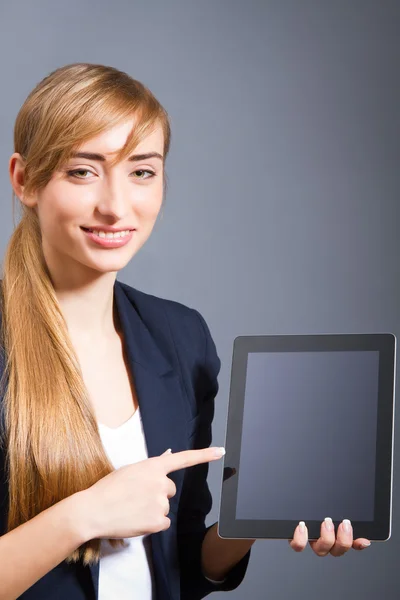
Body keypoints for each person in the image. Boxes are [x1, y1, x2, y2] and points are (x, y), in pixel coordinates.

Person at [0, 63, 371, 600]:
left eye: (142, 172)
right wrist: (82, 516)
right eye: (83, 171)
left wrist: (259, 517)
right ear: (24, 180)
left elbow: (183, 565)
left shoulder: (182, 336)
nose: (116, 205)